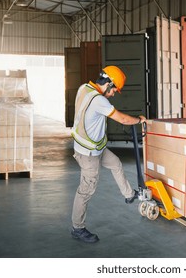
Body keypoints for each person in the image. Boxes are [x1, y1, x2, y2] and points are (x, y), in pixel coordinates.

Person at [70, 65, 146, 243]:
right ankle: (77, 228)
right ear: (108, 84)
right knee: (86, 190)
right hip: (88, 153)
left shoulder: (84, 88)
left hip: (95, 147)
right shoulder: (99, 100)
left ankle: (129, 195)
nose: (113, 95)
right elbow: (122, 119)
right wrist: (140, 120)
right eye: (114, 91)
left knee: (116, 163)